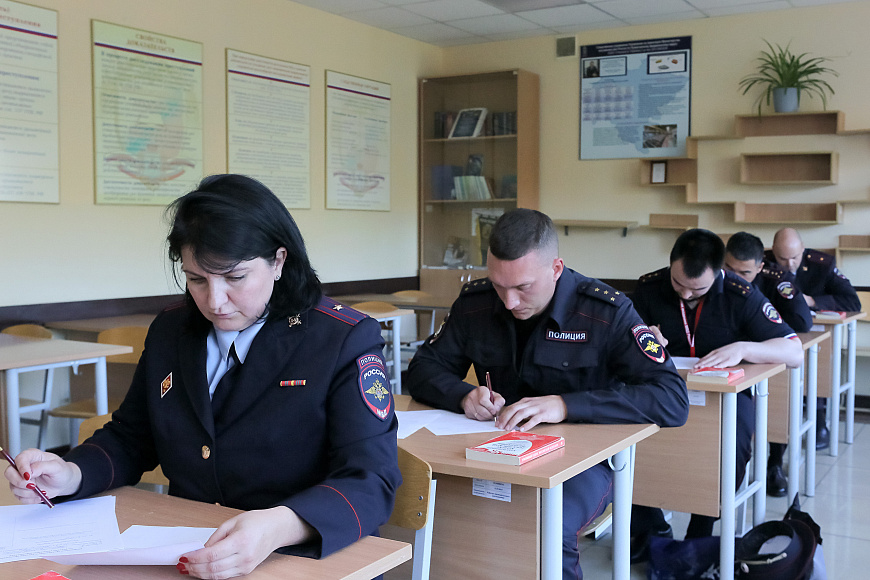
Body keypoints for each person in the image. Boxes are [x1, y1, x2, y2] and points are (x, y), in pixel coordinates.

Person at [3, 174, 401, 579]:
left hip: (301, 557)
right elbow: (132, 436)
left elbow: (371, 478)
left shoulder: (341, 338)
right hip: (190, 552)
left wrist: (280, 526)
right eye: (196, 279)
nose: (215, 301)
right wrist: (72, 474)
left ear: (278, 261)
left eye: (235, 278)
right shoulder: (172, 330)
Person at [406, 208, 689, 580]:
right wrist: (462, 395)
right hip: (492, 448)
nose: (509, 301)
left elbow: (672, 398)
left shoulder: (605, 311)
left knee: (545, 524)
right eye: (498, 285)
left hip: (586, 462)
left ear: (556, 269)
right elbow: (422, 368)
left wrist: (565, 405)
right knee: (422, 504)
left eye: (522, 287)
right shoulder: (477, 302)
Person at [630, 229, 802, 562]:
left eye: (697, 289)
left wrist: (743, 348)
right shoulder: (650, 287)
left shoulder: (741, 294)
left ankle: (701, 529)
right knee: (631, 437)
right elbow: (623, 339)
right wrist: (645, 339)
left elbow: (794, 351)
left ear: (719, 272)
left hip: (725, 399)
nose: (685, 294)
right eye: (678, 283)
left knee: (733, 446)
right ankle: (648, 527)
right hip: (664, 390)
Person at [725, 231, 813, 498]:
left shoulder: (776, 280)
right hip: (728, 363)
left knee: (778, 397)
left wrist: (763, 327)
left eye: (744, 273)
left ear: (760, 267)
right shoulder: (714, 282)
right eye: (729, 269)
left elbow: (802, 321)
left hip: (764, 355)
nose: (735, 278)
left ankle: (774, 463)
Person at [768, 227, 861, 449]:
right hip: (777, 332)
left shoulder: (821, 264)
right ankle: (775, 435)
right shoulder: (763, 264)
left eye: (794, 257)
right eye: (782, 258)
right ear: (773, 252)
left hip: (812, 334)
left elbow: (852, 302)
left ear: (803, 249)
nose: (789, 264)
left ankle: (819, 422)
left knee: (815, 364)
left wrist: (812, 301)